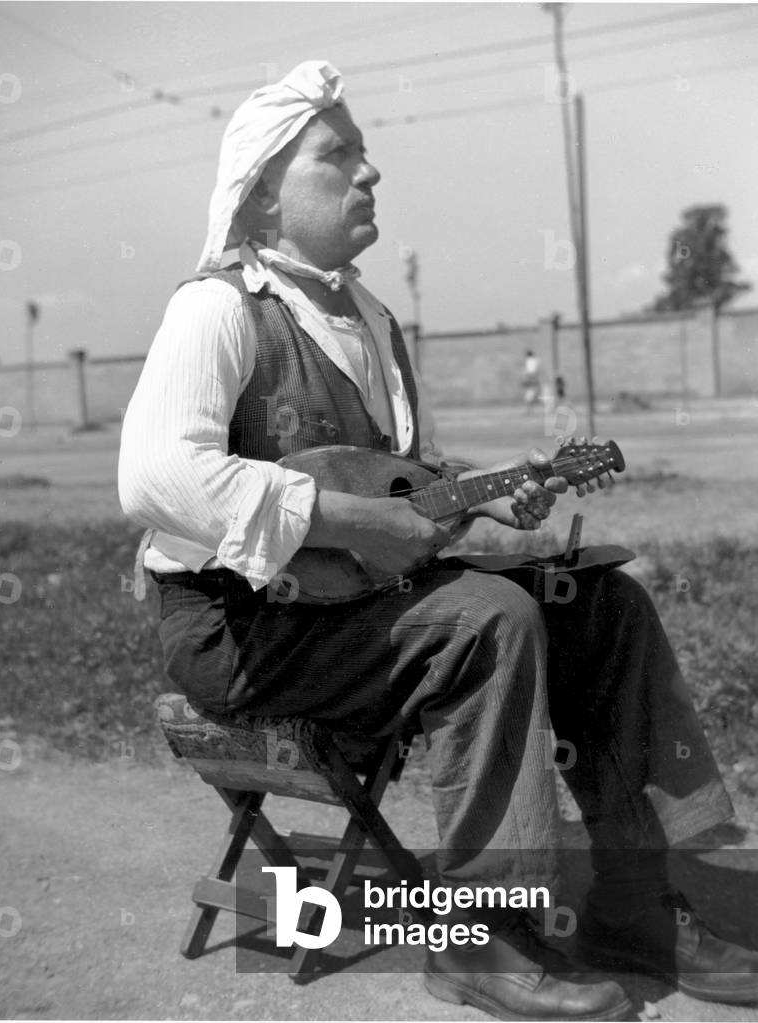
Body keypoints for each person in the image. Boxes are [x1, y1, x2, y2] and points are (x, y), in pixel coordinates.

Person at [118, 61, 757, 1020]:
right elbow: (154, 476)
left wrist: (490, 501)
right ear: (261, 196)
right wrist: (346, 520)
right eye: (339, 156)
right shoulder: (216, 309)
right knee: (484, 621)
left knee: (604, 604)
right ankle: (481, 939)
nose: (368, 173)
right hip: (238, 623)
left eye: (367, 155)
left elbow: (401, 482)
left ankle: (642, 900)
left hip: (353, 602)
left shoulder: (371, 319)